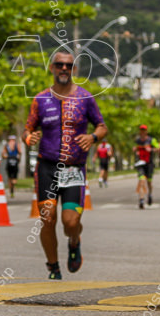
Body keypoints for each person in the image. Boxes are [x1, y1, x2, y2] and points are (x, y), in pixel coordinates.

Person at [24, 50, 107, 280]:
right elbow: (27, 128)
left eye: (68, 66)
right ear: (52, 68)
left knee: (70, 222)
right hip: (47, 167)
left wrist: (93, 137)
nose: (63, 69)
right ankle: (53, 266)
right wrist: (28, 137)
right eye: (59, 65)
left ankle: (74, 239)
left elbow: (102, 126)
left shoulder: (85, 98)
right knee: (47, 218)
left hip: (73, 168)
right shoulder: (40, 99)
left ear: (74, 70)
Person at [135, 125, 155, 206]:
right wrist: (136, 151)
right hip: (140, 164)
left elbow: (157, 148)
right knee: (142, 181)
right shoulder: (138, 140)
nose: (142, 132)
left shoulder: (151, 140)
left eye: (144, 130)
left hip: (149, 164)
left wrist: (151, 149)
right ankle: (141, 200)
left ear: (146, 131)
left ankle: (150, 195)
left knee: (149, 182)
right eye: (141, 130)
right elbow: (136, 149)